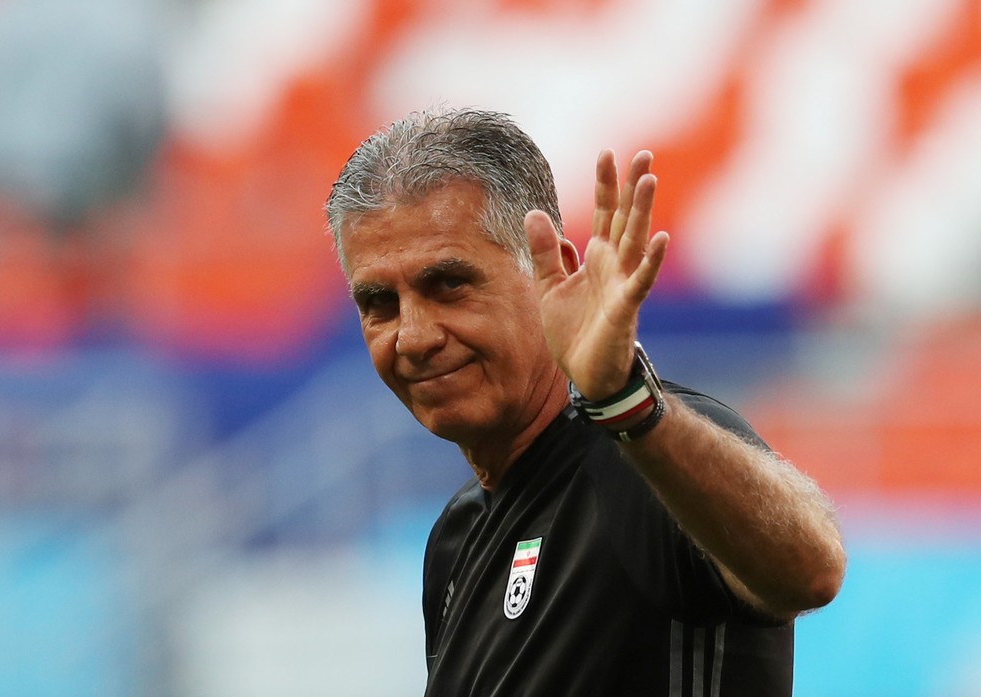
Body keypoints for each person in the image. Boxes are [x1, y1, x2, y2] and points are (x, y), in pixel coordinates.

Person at [325, 107, 846, 696]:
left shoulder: (646, 459)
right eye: (379, 303)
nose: (414, 335)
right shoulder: (456, 537)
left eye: (449, 284)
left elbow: (810, 571)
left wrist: (626, 402)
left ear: (554, 276)